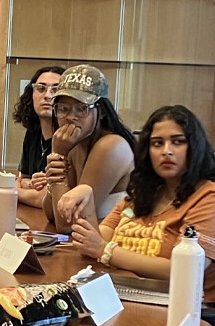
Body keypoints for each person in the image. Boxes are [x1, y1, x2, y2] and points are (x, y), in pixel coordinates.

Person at [68, 105, 215, 303]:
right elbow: (97, 239)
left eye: (178, 142)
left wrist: (106, 251)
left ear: (195, 147)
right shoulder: (144, 192)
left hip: (176, 306)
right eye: (157, 143)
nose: (166, 151)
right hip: (123, 291)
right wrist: (88, 199)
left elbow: (183, 269)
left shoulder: (213, 198)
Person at [30, 64, 136, 233]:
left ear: (101, 112)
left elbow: (67, 223)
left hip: (119, 248)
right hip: (91, 245)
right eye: (64, 109)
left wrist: (58, 155)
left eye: (82, 108)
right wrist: (56, 169)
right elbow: (51, 213)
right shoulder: (75, 144)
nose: (71, 117)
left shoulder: (111, 145)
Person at [11, 64, 62, 205]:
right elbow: (22, 179)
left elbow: (46, 199)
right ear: (31, 95)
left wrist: (13, 191)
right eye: (41, 88)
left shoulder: (68, 138)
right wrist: (30, 185)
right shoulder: (33, 133)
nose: (47, 95)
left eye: (56, 90)